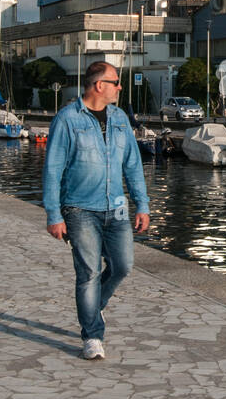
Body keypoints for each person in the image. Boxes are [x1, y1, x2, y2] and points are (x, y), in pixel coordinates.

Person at [43, 61, 150, 361]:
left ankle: (94, 306)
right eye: (115, 81)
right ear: (98, 85)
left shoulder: (119, 119)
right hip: (79, 209)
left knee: (123, 265)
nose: (120, 87)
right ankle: (92, 335)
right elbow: (52, 170)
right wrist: (54, 214)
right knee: (88, 272)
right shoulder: (67, 120)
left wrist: (142, 204)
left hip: (116, 208)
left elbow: (132, 164)